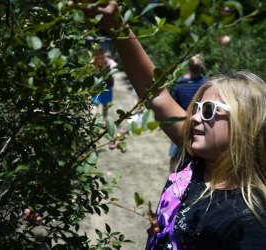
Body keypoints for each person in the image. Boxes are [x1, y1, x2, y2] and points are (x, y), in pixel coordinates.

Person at [73, 1, 266, 249]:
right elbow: (155, 93)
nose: (194, 117)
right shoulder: (198, 158)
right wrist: (117, 26)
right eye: (195, 108)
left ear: (245, 125)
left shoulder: (250, 221)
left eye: (208, 111)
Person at [169, 54, 206, 172]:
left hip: (181, 122)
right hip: (200, 123)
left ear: (188, 66)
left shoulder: (179, 84)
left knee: (175, 154)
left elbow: (174, 104)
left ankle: (172, 176)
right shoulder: (206, 84)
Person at [91, 47, 116, 120]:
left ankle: (93, 121)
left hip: (97, 85)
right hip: (106, 85)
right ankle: (104, 120)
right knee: (105, 104)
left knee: (95, 104)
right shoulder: (108, 61)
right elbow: (114, 70)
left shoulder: (93, 61)